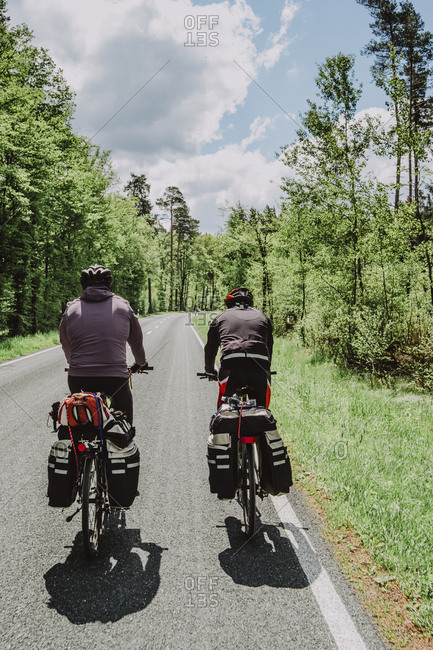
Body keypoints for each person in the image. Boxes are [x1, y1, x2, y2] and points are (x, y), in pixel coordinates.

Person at [59, 264, 148, 424]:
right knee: (124, 422)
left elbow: (65, 342)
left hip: (78, 378)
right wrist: (140, 363)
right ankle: (124, 443)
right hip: (115, 379)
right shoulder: (123, 307)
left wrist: (74, 362)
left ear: (82, 287)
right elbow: (136, 342)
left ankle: (76, 445)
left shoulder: (71, 310)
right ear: (109, 286)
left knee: (79, 419)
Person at [204, 287, 273, 407]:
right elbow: (269, 347)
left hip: (231, 366)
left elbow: (210, 348)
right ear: (250, 303)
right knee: (263, 408)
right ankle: (264, 420)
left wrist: (210, 370)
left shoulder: (220, 317)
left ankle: (221, 420)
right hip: (260, 366)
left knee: (224, 407)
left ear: (229, 304)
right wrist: (266, 367)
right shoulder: (263, 317)